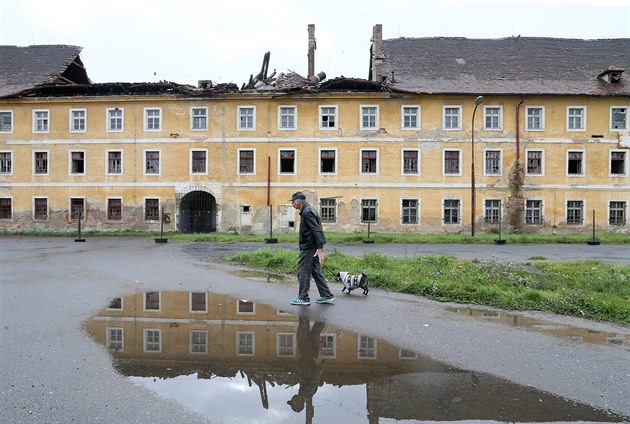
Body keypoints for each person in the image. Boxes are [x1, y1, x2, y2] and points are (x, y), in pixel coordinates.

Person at [289, 191, 335, 305]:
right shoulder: (308, 210)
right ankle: (326, 295)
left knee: (303, 271)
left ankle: (303, 297)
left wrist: (320, 248)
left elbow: (316, 230)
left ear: (299, 201)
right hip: (312, 245)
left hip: (309, 247)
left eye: (293, 202)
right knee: (315, 270)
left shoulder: (307, 212)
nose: (292, 204)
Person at [287, 310, 327, 417]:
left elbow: (310, 378)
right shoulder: (306, 394)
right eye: (293, 402)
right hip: (308, 357)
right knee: (303, 331)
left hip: (309, 357)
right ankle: (304, 304)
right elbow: (315, 379)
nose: (292, 399)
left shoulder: (303, 393)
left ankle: (326, 311)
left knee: (315, 332)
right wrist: (319, 363)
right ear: (298, 403)